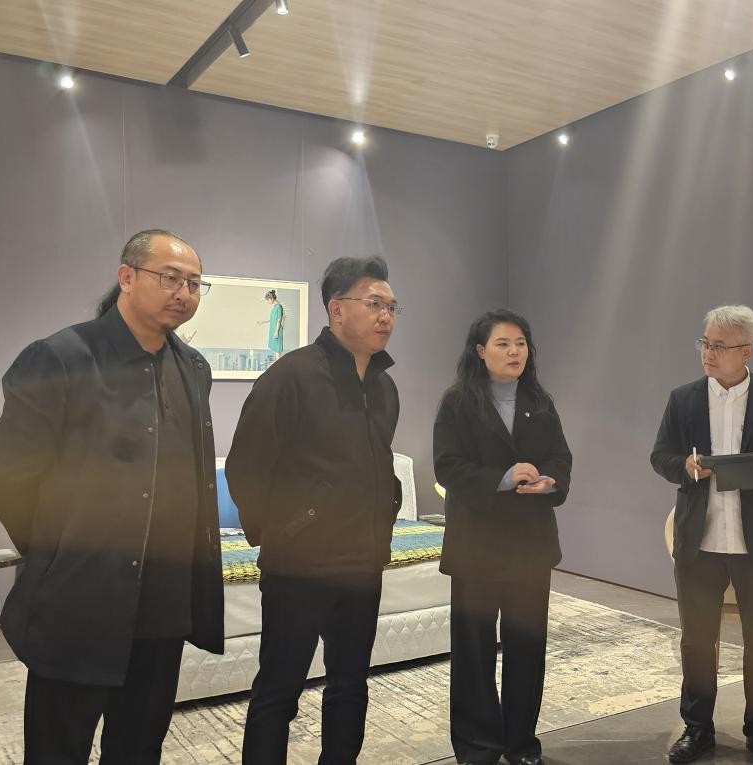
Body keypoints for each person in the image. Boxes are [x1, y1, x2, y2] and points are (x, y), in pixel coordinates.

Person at [0, 229, 224, 764]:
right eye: (170, 277)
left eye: (194, 283)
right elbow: (5, 477)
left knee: (139, 747)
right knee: (58, 749)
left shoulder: (193, 368)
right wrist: (59, 549)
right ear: (126, 277)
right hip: (80, 599)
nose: (183, 292)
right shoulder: (61, 357)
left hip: (164, 605)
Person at [227, 255, 403, 765]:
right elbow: (245, 467)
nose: (386, 316)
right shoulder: (291, 376)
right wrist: (284, 532)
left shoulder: (385, 387)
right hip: (298, 569)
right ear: (336, 308)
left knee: (350, 686)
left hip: (363, 564)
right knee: (278, 692)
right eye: (375, 304)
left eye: (392, 307)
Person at [650, 305, 753, 765]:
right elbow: (660, 455)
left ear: (747, 350)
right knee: (697, 641)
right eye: (705, 342)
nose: (708, 353)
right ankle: (697, 728)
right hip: (699, 542)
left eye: (719, 346)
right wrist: (684, 466)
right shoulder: (683, 399)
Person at [433, 309, 573, 765]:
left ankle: (521, 743)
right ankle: (477, 747)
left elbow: (561, 457)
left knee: (526, 649)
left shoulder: (539, 400)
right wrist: (503, 478)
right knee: (474, 652)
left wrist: (550, 481)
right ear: (480, 351)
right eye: (503, 343)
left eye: (521, 343)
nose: (515, 352)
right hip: (477, 545)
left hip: (530, 545)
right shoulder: (457, 401)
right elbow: (447, 466)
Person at [257, 289, 285, 357]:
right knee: (275, 348)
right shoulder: (275, 306)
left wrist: (276, 332)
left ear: (272, 298)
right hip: (273, 329)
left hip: (277, 329)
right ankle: (277, 361)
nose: (267, 302)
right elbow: (273, 319)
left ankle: (278, 362)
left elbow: (279, 320)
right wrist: (263, 322)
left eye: (268, 300)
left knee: (277, 349)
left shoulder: (278, 307)